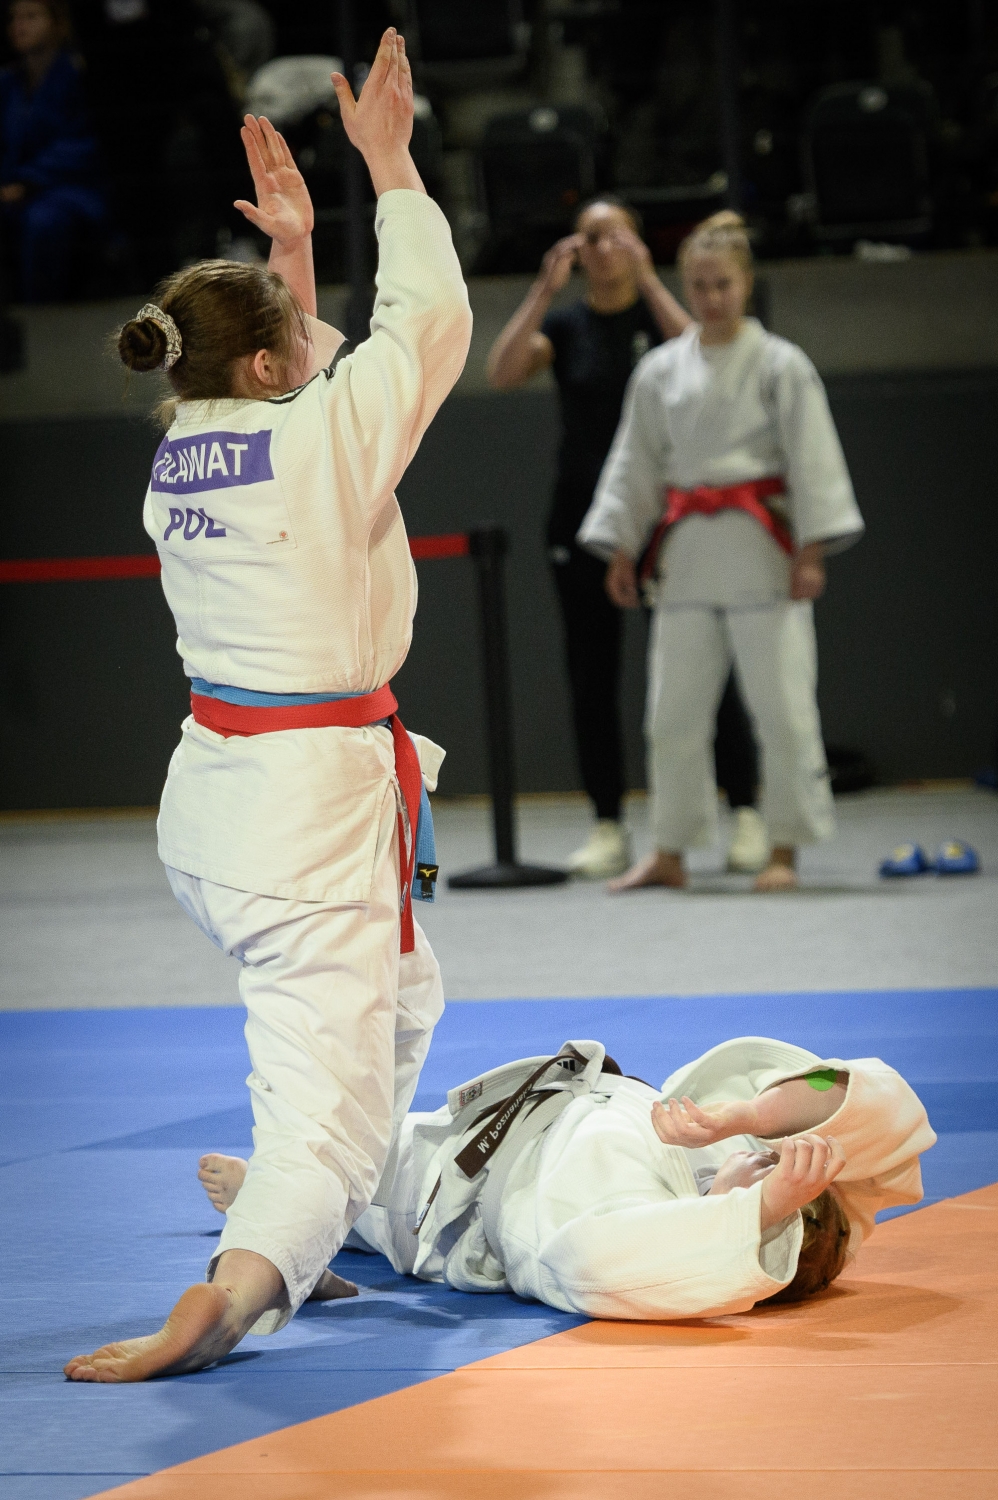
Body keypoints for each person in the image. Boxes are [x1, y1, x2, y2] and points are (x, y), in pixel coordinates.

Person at [64, 29, 472, 1384]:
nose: (311, 344)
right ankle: (234, 1293)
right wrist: (391, 169)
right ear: (264, 366)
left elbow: (303, 385)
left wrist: (290, 256)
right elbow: (420, 334)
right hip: (303, 824)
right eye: (294, 332)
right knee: (327, 1095)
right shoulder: (317, 437)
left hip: (226, 802)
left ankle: (313, 1225)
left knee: (401, 996)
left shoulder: (185, 445)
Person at [198, 1035, 935, 1321]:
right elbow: (880, 1101)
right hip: (530, 1107)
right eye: (775, 1157)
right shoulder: (726, 1146)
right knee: (350, 1143)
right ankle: (286, 1201)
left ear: (740, 1221)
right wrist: (742, 1116)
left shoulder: (639, 1223)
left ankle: (276, 1210)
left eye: (765, 1180)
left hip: (449, 1189)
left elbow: (596, 1263)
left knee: (352, 1173)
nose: (765, 1157)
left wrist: (758, 1209)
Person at [578, 210, 864, 893]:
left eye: (723, 285)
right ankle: (670, 850)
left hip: (763, 553)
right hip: (686, 559)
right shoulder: (660, 371)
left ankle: (785, 846)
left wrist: (812, 551)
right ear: (685, 285)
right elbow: (635, 465)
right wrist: (621, 549)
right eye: (700, 286)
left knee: (783, 713)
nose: (711, 298)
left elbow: (814, 462)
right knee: (671, 716)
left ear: (747, 284)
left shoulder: (782, 365)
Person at [486, 200, 768, 880]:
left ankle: (745, 812)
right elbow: (502, 372)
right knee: (591, 676)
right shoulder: (566, 325)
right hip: (583, 521)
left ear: (640, 246)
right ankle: (608, 824)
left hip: (669, 522)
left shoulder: (661, 318)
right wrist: (543, 289)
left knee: (704, 667)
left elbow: (699, 360)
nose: (604, 247)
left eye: (617, 235)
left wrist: (650, 280)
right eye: (591, 236)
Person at [0, 0, 106, 301]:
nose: (19, 26)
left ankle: (42, 310)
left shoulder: (78, 76)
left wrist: (27, 181)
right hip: (14, 187)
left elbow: (83, 142)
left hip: (68, 187)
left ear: (58, 24)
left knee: (44, 222)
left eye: (31, 16)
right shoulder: (9, 83)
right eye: (14, 18)